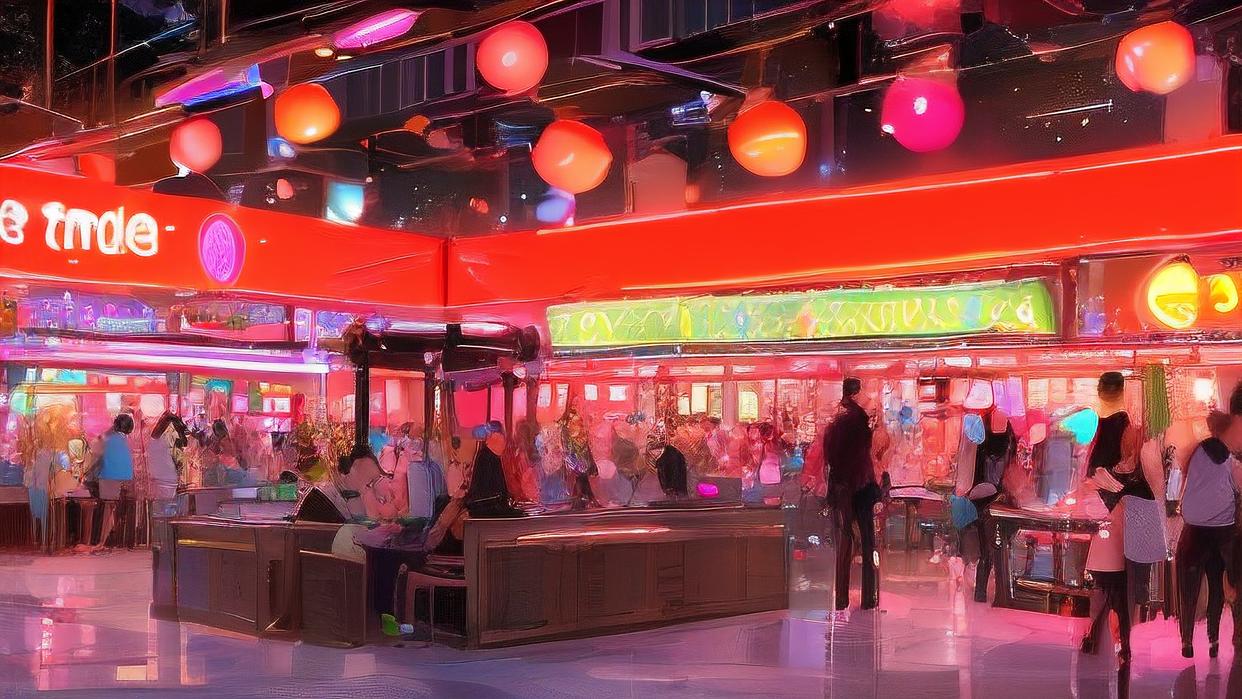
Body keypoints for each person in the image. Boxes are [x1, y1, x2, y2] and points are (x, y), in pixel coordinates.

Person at [1080, 371, 1158, 664]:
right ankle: (1119, 642)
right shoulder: (1123, 433)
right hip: (1122, 531)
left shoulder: (1098, 430)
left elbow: (1090, 480)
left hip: (1109, 528)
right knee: (1121, 591)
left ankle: (1103, 637)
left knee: (1107, 587)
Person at [1176, 409, 1242, 658]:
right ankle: (1213, 639)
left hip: (1195, 529)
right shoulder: (1231, 459)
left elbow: (1181, 482)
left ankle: (1186, 641)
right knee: (1217, 586)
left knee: (1189, 588)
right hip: (1222, 531)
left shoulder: (1194, 453)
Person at [826, 377, 881, 611]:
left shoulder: (835, 424)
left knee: (845, 541)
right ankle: (869, 597)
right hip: (860, 485)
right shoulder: (860, 422)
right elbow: (865, 459)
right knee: (867, 541)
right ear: (856, 394)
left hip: (842, 486)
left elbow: (830, 458)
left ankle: (841, 598)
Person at [967, 407, 1016, 603]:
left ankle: (982, 591)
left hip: (981, 496)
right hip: (997, 498)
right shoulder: (1008, 437)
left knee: (987, 548)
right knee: (996, 546)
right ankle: (995, 592)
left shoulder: (981, 435)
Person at [96, 413, 136, 549]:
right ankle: (109, 538)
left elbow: (97, 447)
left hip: (108, 476)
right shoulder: (127, 441)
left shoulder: (108, 438)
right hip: (125, 477)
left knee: (109, 509)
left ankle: (103, 541)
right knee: (114, 509)